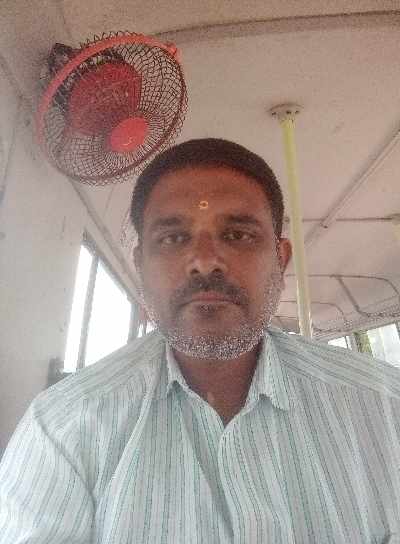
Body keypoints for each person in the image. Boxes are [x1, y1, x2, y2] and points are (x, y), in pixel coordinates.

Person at [0, 138, 399, 544]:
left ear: (280, 260)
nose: (206, 261)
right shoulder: (63, 429)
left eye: (237, 234)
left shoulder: (385, 408)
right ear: (140, 265)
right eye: (173, 238)